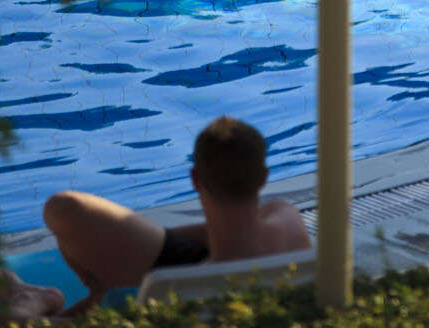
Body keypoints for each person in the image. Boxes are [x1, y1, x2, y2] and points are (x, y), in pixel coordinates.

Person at [42, 116, 311, 313]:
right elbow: (242, 228)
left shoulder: (176, 288)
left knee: (63, 209)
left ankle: (54, 300)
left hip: (188, 266)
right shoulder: (289, 221)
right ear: (264, 177)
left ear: (195, 180)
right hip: (215, 262)